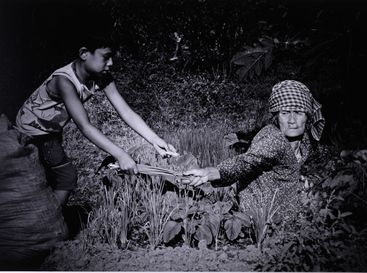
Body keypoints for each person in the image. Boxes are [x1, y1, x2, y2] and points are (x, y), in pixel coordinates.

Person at [15, 35, 178, 206]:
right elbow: (85, 126)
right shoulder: (64, 81)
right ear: (84, 53)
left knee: (48, 177)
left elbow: (126, 112)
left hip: (51, 131)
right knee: (66, 177)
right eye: (106, 57)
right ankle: (49, 222)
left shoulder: (102, 77)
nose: (111, 64)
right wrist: (121, 155)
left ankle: (44, 215)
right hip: (33, 132)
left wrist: (155, 140)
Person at [182, 80, 325, 222]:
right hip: (259, 220)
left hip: (286, 219)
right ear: (276, 117)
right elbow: (246, 162)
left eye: (299, 113)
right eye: (285, 113)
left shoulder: (306, 141)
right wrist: (210, 172)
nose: (292, 120)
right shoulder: (273, 140)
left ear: (307, 116)